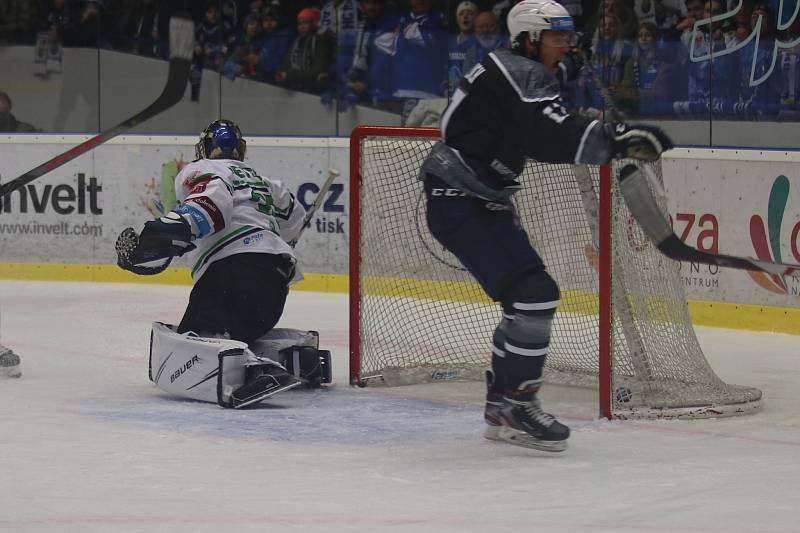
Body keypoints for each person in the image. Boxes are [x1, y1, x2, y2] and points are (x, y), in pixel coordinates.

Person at [419, 0, 672, 451]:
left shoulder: (512, 69)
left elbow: (536, 129)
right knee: (533, 295)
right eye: (556, 37)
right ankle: (513, 404)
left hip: (471, 199)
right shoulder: (522, 71)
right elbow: (548, 134)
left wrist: (600, 132)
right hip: (462, 200)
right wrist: (616, 141)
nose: (566, 45)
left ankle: (505, 405)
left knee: (529, 298)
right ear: (529, 38)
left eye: (568, 37)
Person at [116, 120, 331, 408]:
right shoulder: (263, 180)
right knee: (236, 334)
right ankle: (297, 360)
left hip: (231, 275)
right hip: (275, 283)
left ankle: (252, 369)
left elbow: (210, 206)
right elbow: (293, 221)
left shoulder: (201, 169)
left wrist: (153, 239)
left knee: (197, 337)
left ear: (205, 148)